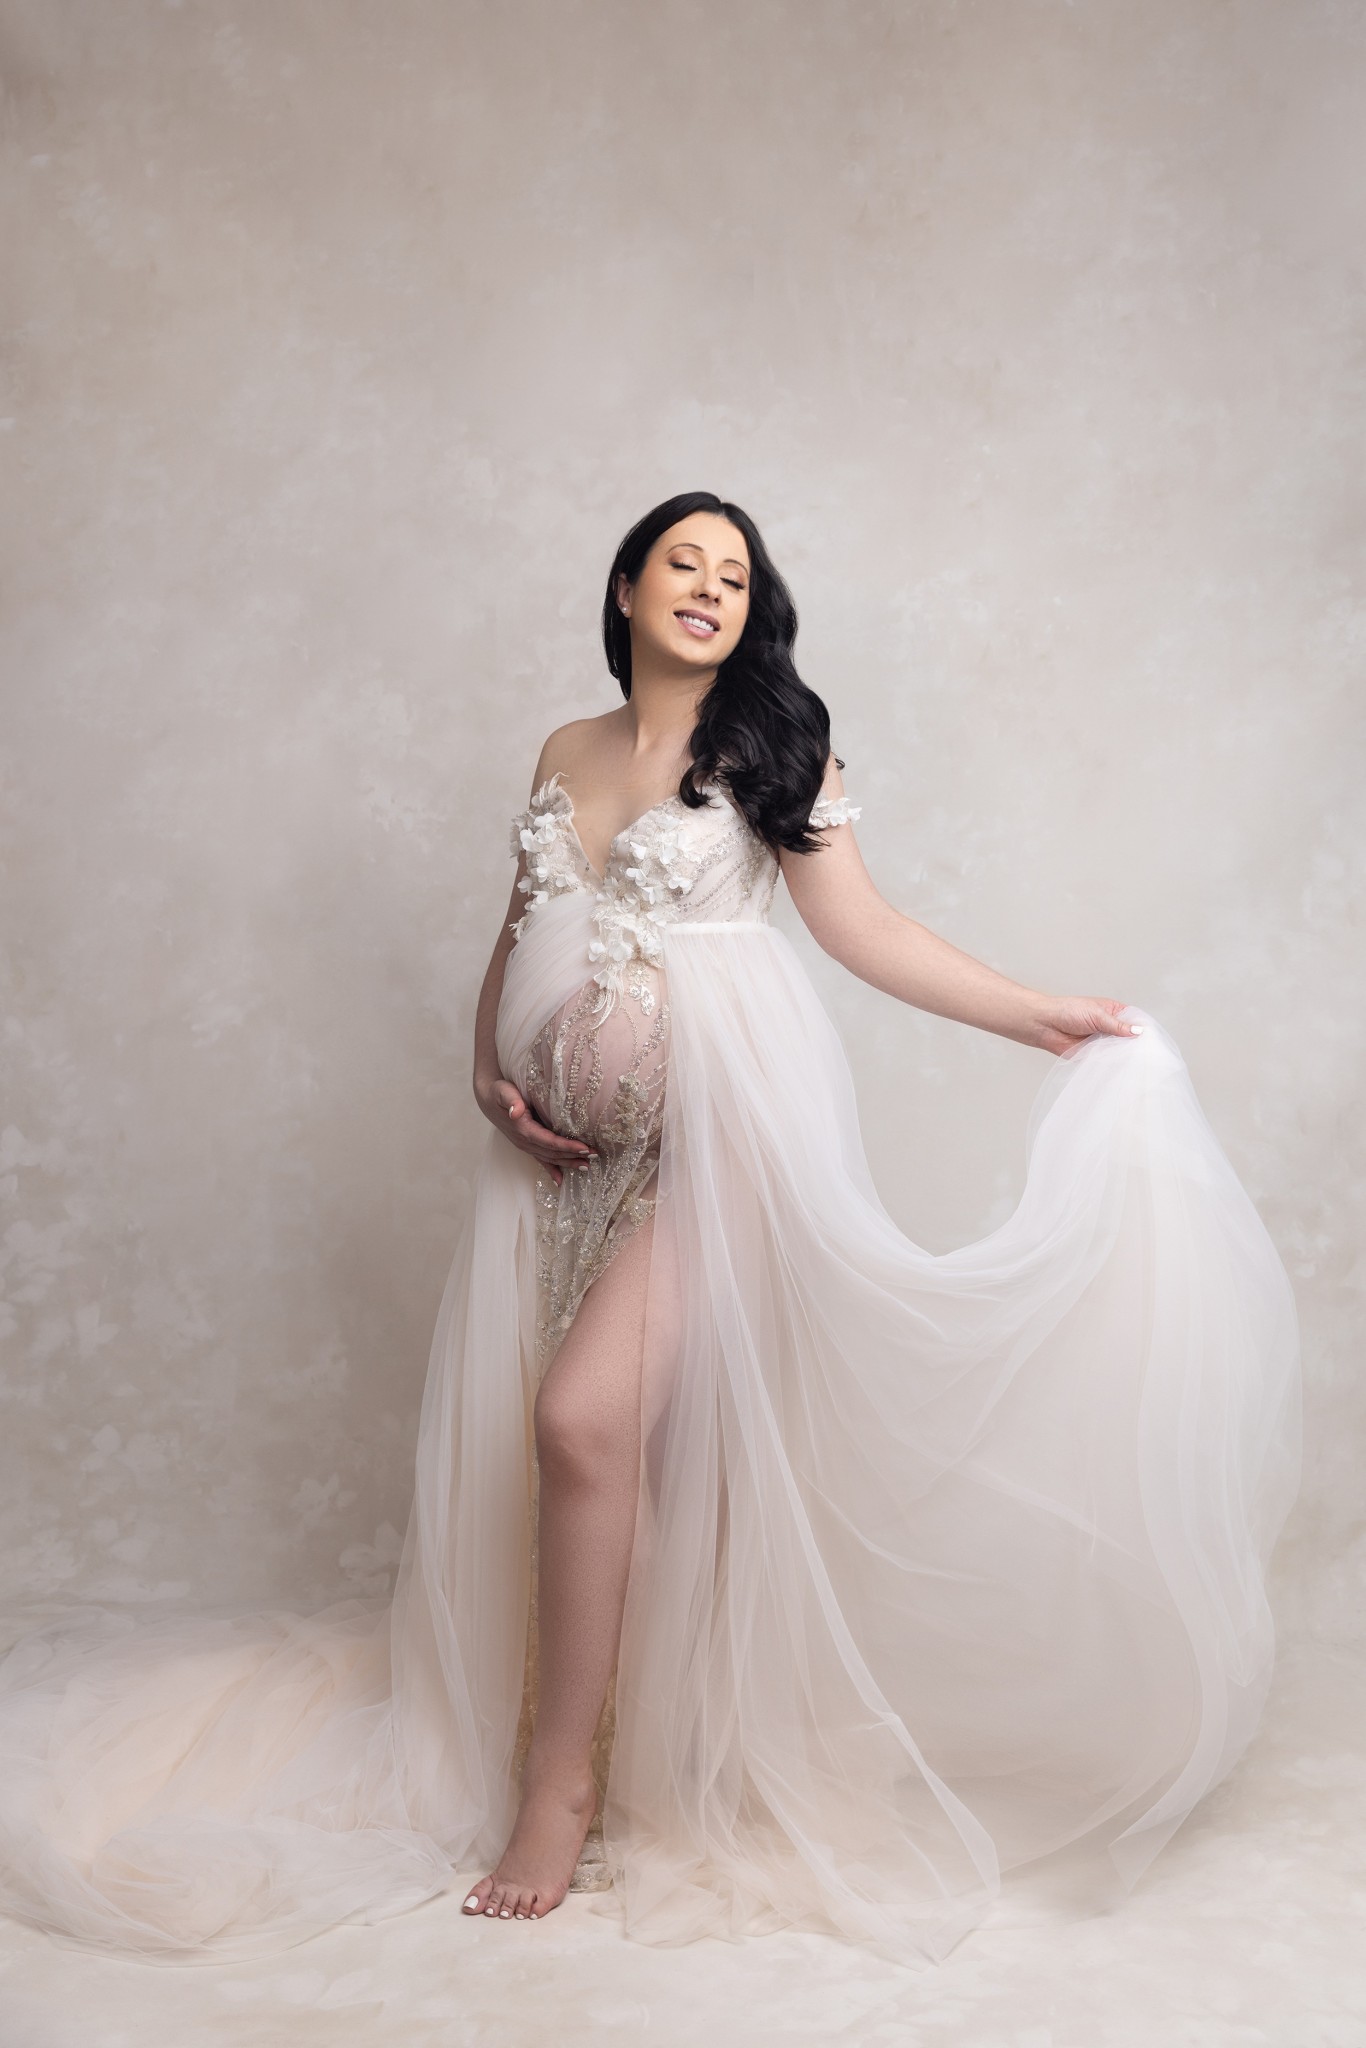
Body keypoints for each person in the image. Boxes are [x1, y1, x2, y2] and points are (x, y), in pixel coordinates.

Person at [0, 492, 1300, 1967]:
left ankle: (560, 1791)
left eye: (733, 575)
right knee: (592, 1456)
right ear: (624, 588)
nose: (707, 587)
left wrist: (1039, 1014)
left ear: (752, 613)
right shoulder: (565, 749)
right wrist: (485, 1068)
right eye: (681, 562)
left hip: (718, 1145)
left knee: (579, 1427)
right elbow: (520, 924)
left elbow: (867, 933)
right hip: (554, 1166)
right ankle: (608, 1741)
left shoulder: (768, 747)